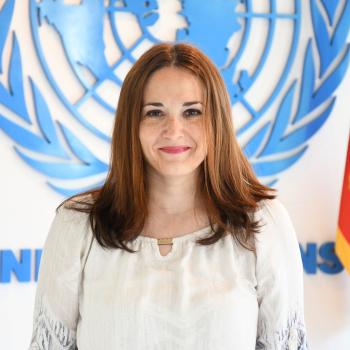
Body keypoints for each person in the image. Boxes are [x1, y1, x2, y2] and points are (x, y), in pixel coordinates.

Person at [29, 42, 308, 349]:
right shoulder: (78, 224)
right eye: (154, 112)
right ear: (131, 124)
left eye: (192, 112)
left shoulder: (262, 224)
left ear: (217, 122)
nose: (174, 130)